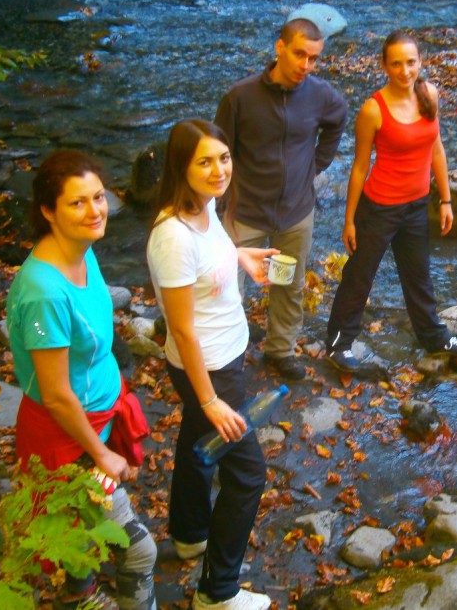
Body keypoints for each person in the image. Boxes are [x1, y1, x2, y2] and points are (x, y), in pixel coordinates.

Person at [6, 150, 156, 610]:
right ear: (48, 211)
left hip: (101, 415)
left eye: (98, 197)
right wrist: (102, 453)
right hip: (69, 438)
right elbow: (55, 394)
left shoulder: (81, 250)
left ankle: (80, 594)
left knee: (79, 529)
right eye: (77, 202)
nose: (95, 211)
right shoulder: (44, 293)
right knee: (140, 551)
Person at [146, 119, 275, 610]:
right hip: (210, 370)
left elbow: (204, 260)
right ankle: (217, 593)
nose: (219, 170)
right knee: (248, 475)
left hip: (223, 357)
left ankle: (189, 533)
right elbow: (182, 330)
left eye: (224, 158)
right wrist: (210, 400)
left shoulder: (204, 207)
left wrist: (237, 255)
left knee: (194, 443)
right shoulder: (173, 237)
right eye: (205, 161)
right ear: (182, 166)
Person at [325, 29, 457, 372]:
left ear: (420, 62)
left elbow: (437, 148)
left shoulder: (429, 95)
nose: (404, 71)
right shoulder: (373, 110)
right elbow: (360, 167)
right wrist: (349, 221)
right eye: (396, 64)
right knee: (359, 277)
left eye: (410, 62)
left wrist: (446, 200)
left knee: (418, 275)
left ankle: (433, 337)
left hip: (416, 205)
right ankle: (338, 345)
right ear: (384, 65)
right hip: (379, 208)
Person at [214, 17, 348, 381]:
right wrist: (220, 196)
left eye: (314, 58)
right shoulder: (241, 97)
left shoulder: (320, 95)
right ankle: (225, 356)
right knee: (227, 286)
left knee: (288, 284)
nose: (306, 65)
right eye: (299, 54)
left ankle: (280, 351)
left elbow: (338, 119)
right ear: (280, 48)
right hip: (245, 211)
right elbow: (218, 149)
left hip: (295, 212)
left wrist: (317, 164)